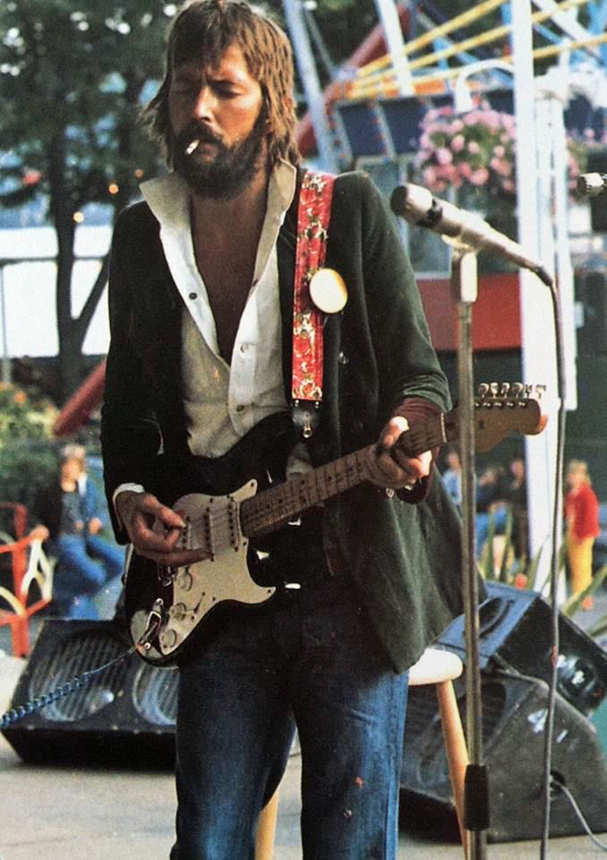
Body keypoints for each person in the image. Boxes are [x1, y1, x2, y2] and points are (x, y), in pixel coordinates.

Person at [100, 2, 465, 857]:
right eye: (183, 88)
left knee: (347, 839)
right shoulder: (142, 233)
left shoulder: (345, 211)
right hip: (211, 578)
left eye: (223, 89)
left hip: (345, 574)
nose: (198, 109)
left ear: (269, 101)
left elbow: (420, 378)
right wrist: (129, 496)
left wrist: (407, 435)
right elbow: (126, 406)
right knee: (208, 840)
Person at [32, 444, 125, 619]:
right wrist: (40, 526)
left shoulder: (84, 486)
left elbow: (102, 508)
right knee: (95, 576)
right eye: (67, 465)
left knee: (118, 562)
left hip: (84, 537)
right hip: (66, 540)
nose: (71, 470)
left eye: (75, 465)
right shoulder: (52, 489)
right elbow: (40, 515)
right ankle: (68, 592)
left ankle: (78, 594)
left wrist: (97, 519)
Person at [565, 459, 600, 610]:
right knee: (575, 566)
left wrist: (582, 534)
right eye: (571, 474)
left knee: (582, 566)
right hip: (572, 532)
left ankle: (584, 599)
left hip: (583, 534)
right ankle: (577, 595)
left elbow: (589, 516)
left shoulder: (587, 494)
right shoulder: (572, 493)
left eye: (576, 474)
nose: (573, 477)